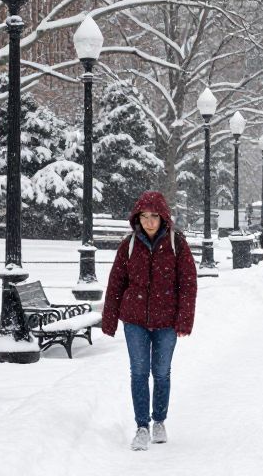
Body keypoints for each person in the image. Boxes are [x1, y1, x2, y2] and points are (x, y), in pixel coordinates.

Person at [102, 191, 197, 451]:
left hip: (167, 320)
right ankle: (142, 426)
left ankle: (159, 421)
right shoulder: (129, 245)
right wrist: (109, 319)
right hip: (135, 320)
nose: (149, 222)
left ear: (163, 217)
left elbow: (188, 284)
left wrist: (184, 319)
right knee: (139, 373)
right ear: (138, 218)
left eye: (154, 216)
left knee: (162, 372)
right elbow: (116, 283)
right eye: (144, 217)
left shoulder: (177, 243)